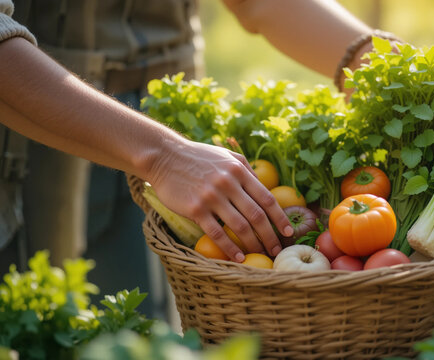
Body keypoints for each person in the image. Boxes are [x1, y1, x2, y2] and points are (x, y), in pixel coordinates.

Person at [1, 0, 399, 317]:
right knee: (54, 318)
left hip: (182, 140)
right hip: (45, 122)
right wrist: (163, 156)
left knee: (154, 328)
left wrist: (365, 55)